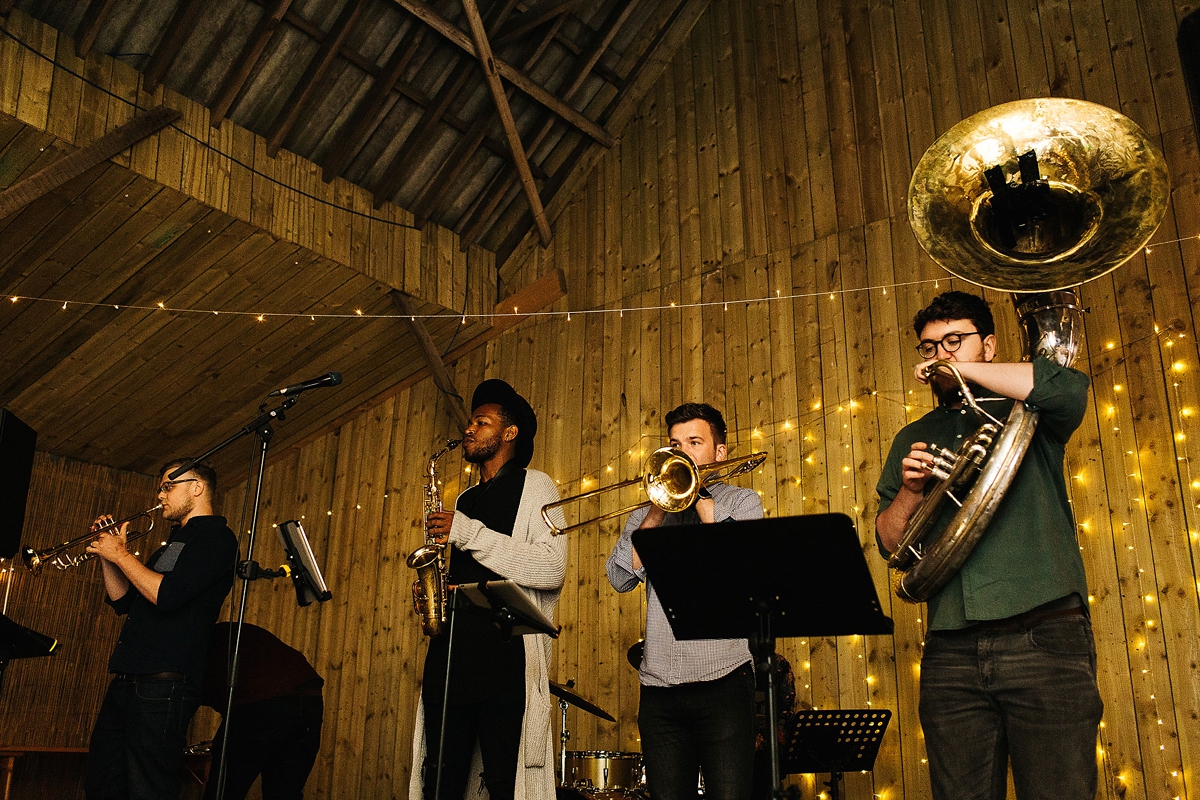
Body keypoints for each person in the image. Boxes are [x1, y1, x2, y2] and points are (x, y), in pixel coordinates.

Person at [876, 290, 1102, 800]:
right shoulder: (913, 435)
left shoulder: (1028, 408)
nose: (940, 355)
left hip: (1043, 634)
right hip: (950, 648)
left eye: (954, 341)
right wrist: (912, 493)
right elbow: (891, 544)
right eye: (930, 347)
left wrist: (964, 372)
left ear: (990, 345)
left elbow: (1066, 388)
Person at [409, 379, 567, 800]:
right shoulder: (463, 498)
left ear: (509, 433)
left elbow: (551, 568)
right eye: (471, 422)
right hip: (449, 660)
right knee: (439, 780)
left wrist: (466, 532)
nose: (470, 429)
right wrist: (434, 594)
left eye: (482, 422)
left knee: (504, 783)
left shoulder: (537, 486)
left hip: (505, 660)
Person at [606, 402, 763, 800]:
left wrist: (698, 498)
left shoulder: (742, 503)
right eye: (675, 443)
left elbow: (743, 570)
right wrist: (656, 513)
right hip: (659, 691)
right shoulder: (649, 513)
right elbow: (620, 576)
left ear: (720, 452)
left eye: (695, 442)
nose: (682, 451)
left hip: (723, 682)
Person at [84, 461, 239, 800]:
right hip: (128, 678)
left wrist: (122, 555)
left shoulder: (216, 538)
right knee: (102, 781)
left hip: (164, 684)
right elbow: (124, 601)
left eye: (169, 486)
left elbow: (166, 595)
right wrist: (107, 555)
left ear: (196, 488)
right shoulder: (172, 542)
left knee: (148, 788)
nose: (160, 494)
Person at [200, 622, 324, 800]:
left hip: (261, 700)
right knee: (284, 793)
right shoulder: (232, 634)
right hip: (309, 696)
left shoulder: (201, 644)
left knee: (224, 790)